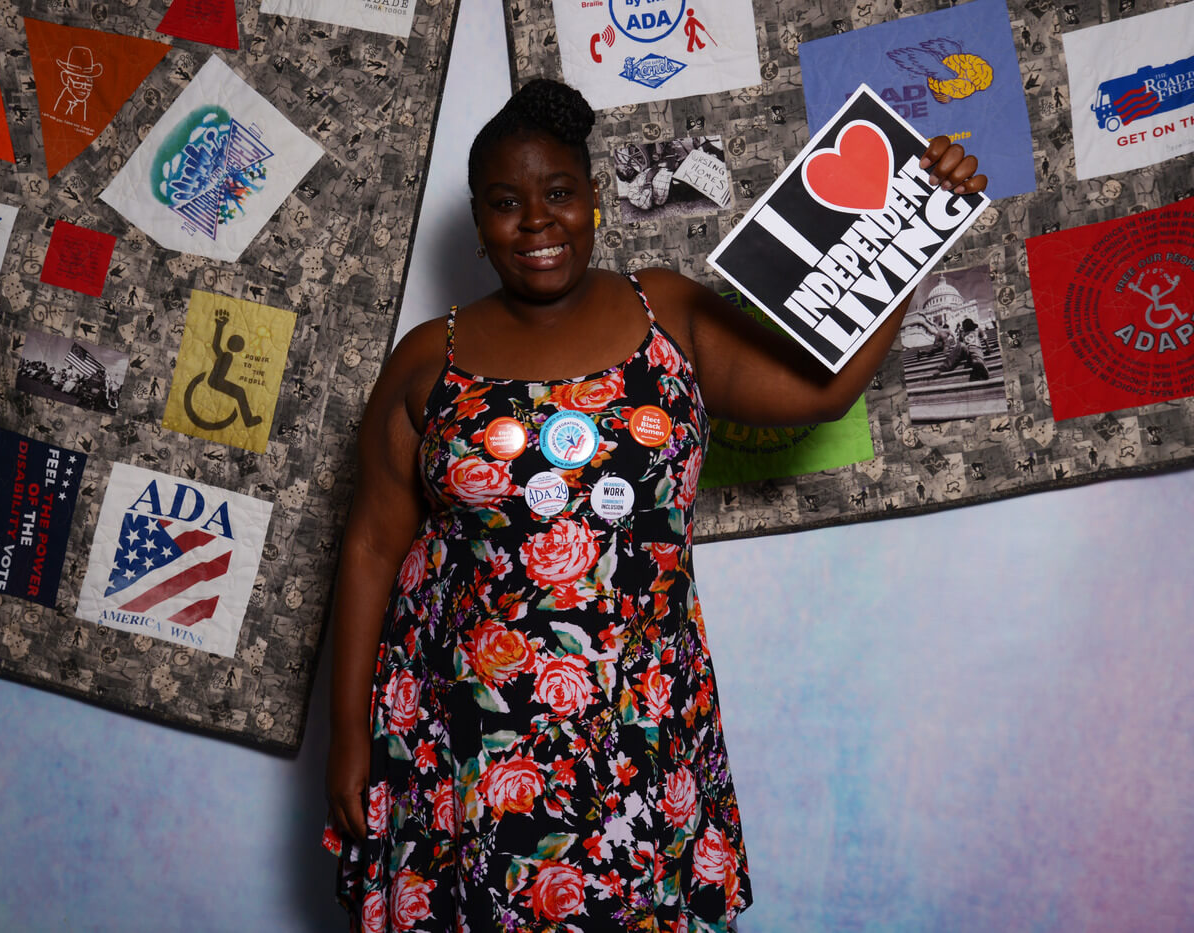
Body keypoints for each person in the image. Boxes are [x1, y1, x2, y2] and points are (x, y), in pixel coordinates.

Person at [324, 79, 985, 931]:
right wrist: (347, 738)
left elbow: (819, 391)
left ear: (596, 197)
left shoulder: (663, 309)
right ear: (480, 226)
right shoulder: (428, 358)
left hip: (641, 722)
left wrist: (914, 231)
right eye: (505, 204)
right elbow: (374, 545)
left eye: (558, 193)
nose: (536, 221)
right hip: (464, 738)